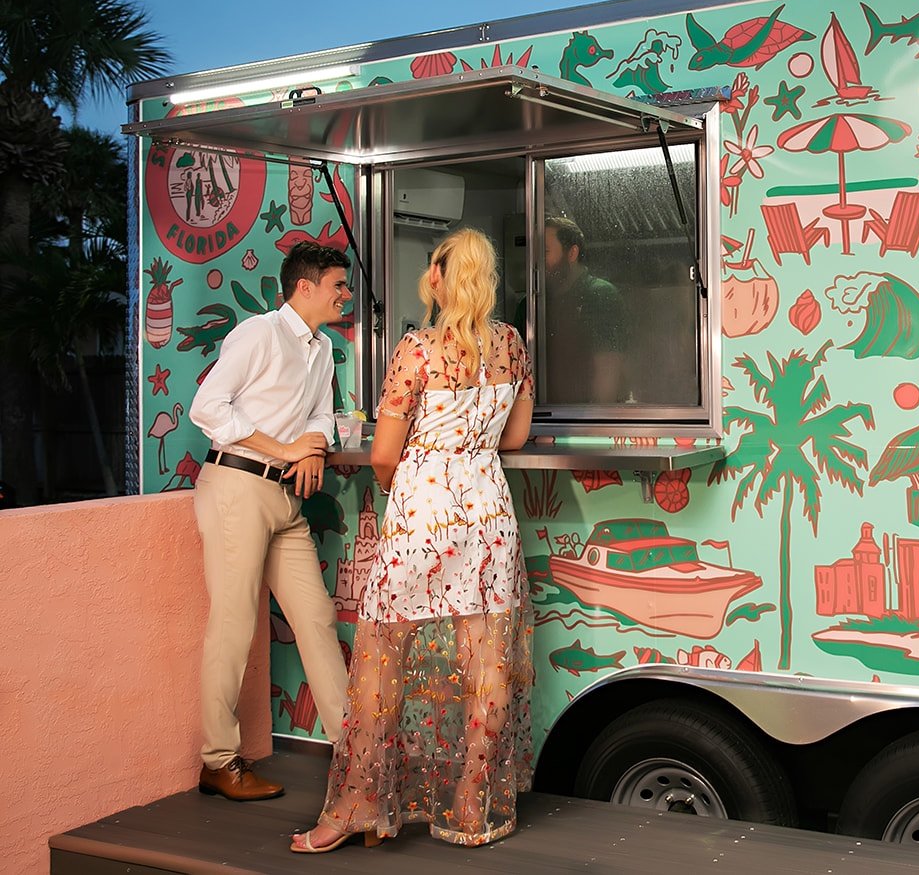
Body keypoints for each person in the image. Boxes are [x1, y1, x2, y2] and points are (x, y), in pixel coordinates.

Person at [291, 226, 535, 852]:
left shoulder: (416, 350)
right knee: (487, 666)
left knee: (382, 661)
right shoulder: (512, 346)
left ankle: (358, 808)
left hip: (422, 516)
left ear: (438, 278)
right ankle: (472, 804)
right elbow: (514, 438)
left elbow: (382, 454)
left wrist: (426, 468)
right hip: (488, 517)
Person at [188, 241, 352, 802]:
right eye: (338, 285)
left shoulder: (323, 348)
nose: (346, 295)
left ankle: (355, 761)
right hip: (236, 488)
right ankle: (218, 761)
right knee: (234, 626)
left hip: (285, 501)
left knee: (317, 620)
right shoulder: (259, 333)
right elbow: (207, 408)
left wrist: (311, 451)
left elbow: (320, 418)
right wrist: (287, 449)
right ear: (305, 288)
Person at [542, 215, 626, 404]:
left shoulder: (599, 295)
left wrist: (595, 424)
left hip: (584, 418)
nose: (536, 261)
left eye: (545, 251)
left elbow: (608, 368)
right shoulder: (531, 304)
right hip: (545, 419)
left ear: (572, 253)